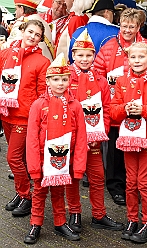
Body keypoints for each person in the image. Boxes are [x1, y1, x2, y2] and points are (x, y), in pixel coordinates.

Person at [94, 8, 147, 206]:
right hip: (117, 106)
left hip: (142, 109)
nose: (127, 30)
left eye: (131, 26)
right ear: (118, 25)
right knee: (115, 149)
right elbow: (97, 72)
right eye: (124, 26)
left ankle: (137, 186)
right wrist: (108, 84)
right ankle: (115, 186)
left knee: (137, 148)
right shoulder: (108, 46)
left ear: (138, 26)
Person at [24, 52, 87, 244]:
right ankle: (35, 224)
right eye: (56, 79)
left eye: (64, 79)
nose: (60, 83)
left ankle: (60, 222)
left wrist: (78, 165)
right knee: (40, 192)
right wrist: (34, 166)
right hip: (43, 159)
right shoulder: (38, 105)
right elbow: (32, 138)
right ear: (48, 81)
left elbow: (82, 136)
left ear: (69, 81)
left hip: (64, 159)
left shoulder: (75, 106)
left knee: (59, 192)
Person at [65, 29, 124, 233]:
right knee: (73, 177)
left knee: (97, 176)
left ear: (94, 56)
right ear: (73, 55)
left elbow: (106, 110)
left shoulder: (101, 80)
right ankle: (74, 213)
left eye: (89, 55)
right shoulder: (64, 78)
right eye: (80, 55)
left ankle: (99, 214)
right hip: (72, 140)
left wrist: (100, 133)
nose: (84, 59)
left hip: (93, 139)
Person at [109, 42, 147, 243]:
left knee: (144, 182)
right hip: (128, 139)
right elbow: (113, 111)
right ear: (128, 59)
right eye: (133, 57)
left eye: (141, 57)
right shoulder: (122, 80)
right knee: (130, 182)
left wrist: (144, 110)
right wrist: (125, 108)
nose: (137, 61)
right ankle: (133, 219)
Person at [0, 20, 50, 217]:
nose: (32, 36)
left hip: (24, 117)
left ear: (40, 39)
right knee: (19, 159)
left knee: (12, 158)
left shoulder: (42, 62)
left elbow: (42, 95)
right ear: (22, 31)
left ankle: (26, 196)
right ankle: (20, 193)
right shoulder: (5, 54)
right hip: (6, 113)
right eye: (30, 31)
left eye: (37, 35)